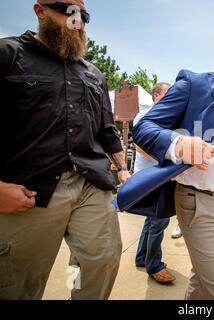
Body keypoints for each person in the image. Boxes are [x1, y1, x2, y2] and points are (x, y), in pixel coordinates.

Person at [0, 0, 130, 300]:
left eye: (83, 14)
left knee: (101, 260)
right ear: (40, 10)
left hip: (91, 184)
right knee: (20, 282)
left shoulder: (94, 74)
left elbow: (107, 131)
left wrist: (122, 168)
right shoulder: (8, 55)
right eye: (67, 9)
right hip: (28, 189)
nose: (77, 20)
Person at [131, 28, 214, 299]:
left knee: (200, 285)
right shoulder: (196, 85)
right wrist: (178, 145)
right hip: (200, 202)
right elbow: (145, 127)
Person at [133, 82, 176, 283]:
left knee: (151, 219)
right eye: (168, 92)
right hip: (150, 175)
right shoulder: (146, 115)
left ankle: (142, 257)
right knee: (160, 219)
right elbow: (138, 144)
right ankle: (154, 265)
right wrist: (164, 157)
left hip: (157, 175)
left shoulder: (162, 115)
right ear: (157, 95)